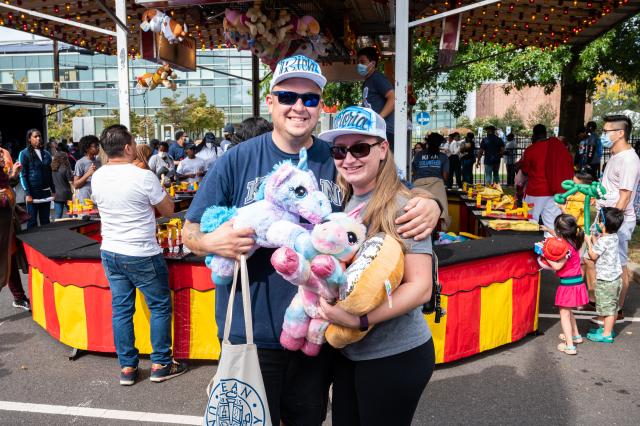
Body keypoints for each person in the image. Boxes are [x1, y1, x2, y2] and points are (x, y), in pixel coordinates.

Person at [181, 55, 440, 426]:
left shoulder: (335, 157)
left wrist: (430, 203)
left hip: (316, 335)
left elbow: (391, 193)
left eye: (310, 98)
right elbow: (190, 232)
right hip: (251, 332)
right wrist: (211, 243)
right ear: (270, 102)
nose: (298, 107)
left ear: (321, 106)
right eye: (287, 96)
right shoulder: (236, 160)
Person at [317, 106, 435, 426]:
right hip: (348, 354)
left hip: (395, 355)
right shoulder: (339, 200)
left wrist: (361, 320)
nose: (348, 158)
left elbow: (420, 286)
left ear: (383, 149)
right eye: (340, 150)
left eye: (360, 148)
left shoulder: (403, 206)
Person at [91, 124, 187, 386]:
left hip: (111, 250)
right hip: (142, 252)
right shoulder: (142, 176)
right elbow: (168, 210)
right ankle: (160, 364)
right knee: (159, 306)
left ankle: (128, 369)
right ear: (127, 147)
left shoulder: (97, 177)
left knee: (121, 310)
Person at [586, 114, 640, 324]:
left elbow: (625, 197)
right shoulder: (616, 156)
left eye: (607, 131)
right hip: (605, 218)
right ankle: (601, 304)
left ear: (620, 133)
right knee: (591, 260)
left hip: (617, 222)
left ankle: (614, 311)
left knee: (618, 266)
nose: (603, 135)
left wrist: (609, 227)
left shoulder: (629, 159)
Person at [544, 214, 589, 355]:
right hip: (577, 282)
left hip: (568, 285)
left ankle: (569, 345)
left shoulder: (564, 248)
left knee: (564, 314)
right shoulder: (574, 241)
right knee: (568, 311)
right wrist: (549, 230)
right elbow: (558, 236)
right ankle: (575, 336)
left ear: (560, 231)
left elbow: (557, 266)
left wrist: (544, 255)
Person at [519, 124, 574, 231]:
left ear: (534, 135)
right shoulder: (558, 147)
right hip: (554, 191)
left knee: (530, 223)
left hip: (535, 191)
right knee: (552, 224)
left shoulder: (531, 150)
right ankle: (552, 246)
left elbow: (525, 171)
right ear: (545, 134)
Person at [584, 207, 624, 343]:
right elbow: (602, 247)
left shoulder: (603, 240)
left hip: (606, 281)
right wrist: (595, 239)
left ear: (603, 225)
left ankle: (606, 334)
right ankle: (608, 329)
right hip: (615, 279)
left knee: (607, 309)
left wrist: (588, 242)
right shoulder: (613, 237)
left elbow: (593, 255)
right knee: (611, 306)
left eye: (600, 221)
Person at [0, 154, 30, 310]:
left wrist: (13, 176)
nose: (2, 157)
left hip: (7, 222)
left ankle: (19, 297)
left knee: (9, 259)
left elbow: (6, 184)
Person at [357, 47, 395, 150]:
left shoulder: (377, 78)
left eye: (362, 62)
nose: (359, 65)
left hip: (384, 131)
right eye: (358, 62)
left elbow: (392, 97)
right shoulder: (368, 81)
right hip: (375, 130)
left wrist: (379, 118)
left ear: (372, 63)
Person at [18, 129, 55, 229]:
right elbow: (23, 175)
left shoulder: (47, 154)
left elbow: (49, 174)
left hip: (46, 192)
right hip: (32, 193)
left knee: (45, 221)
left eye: (39, 136)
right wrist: (28, 194)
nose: (38, 138)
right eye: (35, 136)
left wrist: (53, 190)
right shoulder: (24, 153)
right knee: (32, 222)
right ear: (29, 139)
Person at [412, 133, 450, 230]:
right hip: (437, 184)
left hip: (418, 184)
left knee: (416, 212)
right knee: (442, 213)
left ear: (427, 142)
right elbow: (445, 177)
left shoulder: (419, 154)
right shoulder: (443, 157)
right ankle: (439, 235)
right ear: (440, 144)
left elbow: (414, 170)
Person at [73, 135, 101, 202]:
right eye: (95, 146)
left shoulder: (99, 162)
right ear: (87, 148)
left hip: (97, 199)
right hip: (85, 201)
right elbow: (76, 185)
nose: (98, 148)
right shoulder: (80, 163)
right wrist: (88, 174)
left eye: (98, 145)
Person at [51, 152, 73, 219]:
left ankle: (57, 228)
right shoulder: (65, 168)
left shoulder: (52, 169)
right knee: (72, 213)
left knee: (58, 215)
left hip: (56, 194)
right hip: (67, 193)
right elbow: (70, 180)